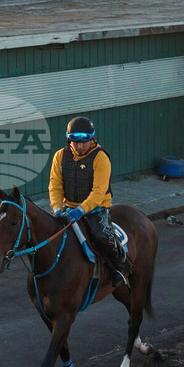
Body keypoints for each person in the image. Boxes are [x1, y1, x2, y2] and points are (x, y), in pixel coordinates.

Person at [48, 117, 129, 288]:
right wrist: (56, 208)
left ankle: (121, 265)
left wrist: (82, 209)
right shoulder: (59, 156)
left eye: (84, 141)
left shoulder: (101, 158)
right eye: (75, 141)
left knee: (101, 235)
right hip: (68, 208)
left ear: (92, 139)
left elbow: (99, 192)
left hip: (96, 209)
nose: (79, 146)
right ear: (69, 140)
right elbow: (55, 186)